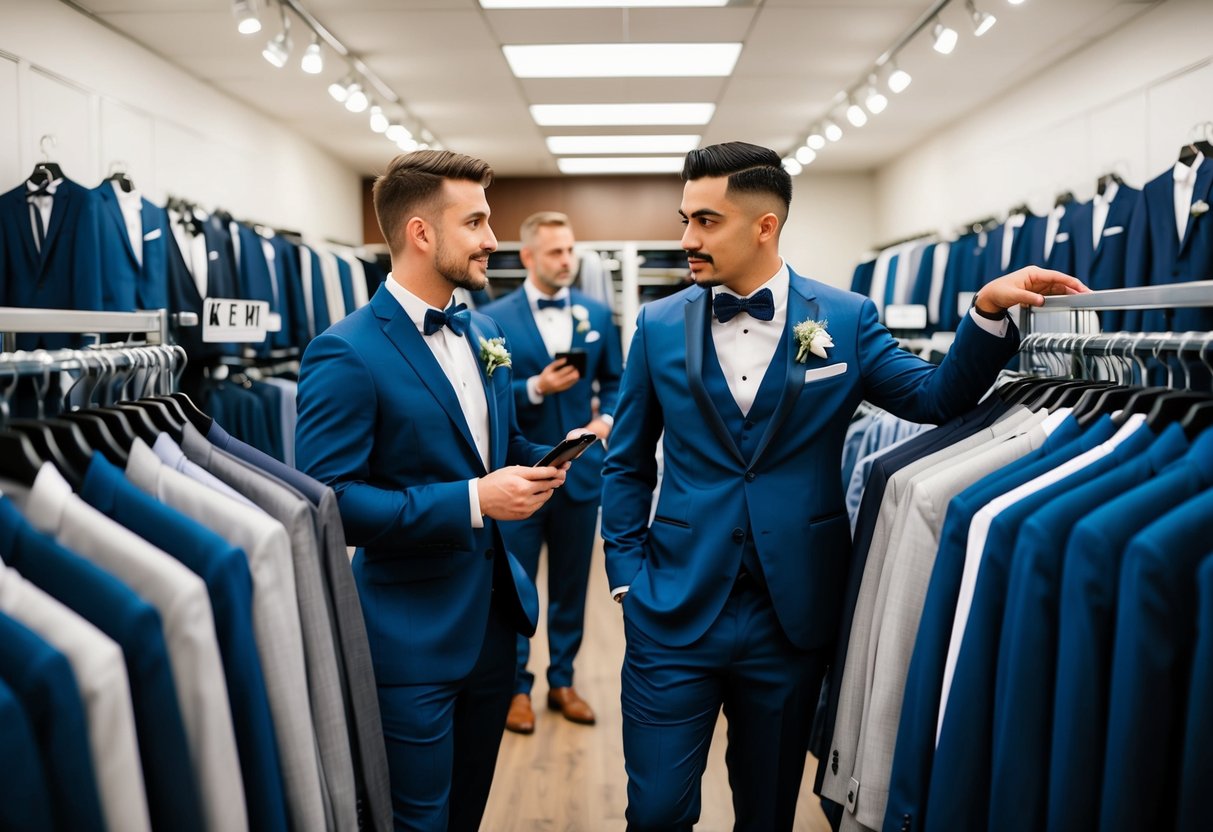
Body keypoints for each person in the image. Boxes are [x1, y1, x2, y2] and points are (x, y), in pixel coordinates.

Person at [599, 141, 1087, 831]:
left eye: (705, 221)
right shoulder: (655, 326)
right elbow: (626, 461)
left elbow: (933, 398)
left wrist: (984, 311)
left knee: (768, 813)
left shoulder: (846, 317)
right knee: (654, 813)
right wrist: (626, 577)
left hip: (790, 614)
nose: (687, 239)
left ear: (764, 226)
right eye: (686, 219)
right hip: (671, 605)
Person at [295, 149, 579, 831]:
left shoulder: (483, 331)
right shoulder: (345, 351)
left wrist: (546, 459)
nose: (492, 239)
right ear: (421, 233)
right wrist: (474, 500)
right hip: (409, 640)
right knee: (416, 821)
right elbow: (331, 501)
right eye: (475, 222)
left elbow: (496, 445)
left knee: (466, 813)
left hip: (493, 628)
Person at [481, 211, 623, 734]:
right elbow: (488, 398)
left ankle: (563, 679)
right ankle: (516, 687)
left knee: (571, 585)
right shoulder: (491, 319)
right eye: (555, 252)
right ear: (527, 256)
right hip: (518, 476)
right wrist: (535, 387)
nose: (567, 261)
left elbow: (617, 382)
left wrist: (602, 423)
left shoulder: (597, 312)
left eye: (570, 251)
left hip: (580, 475)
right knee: (516, 585)